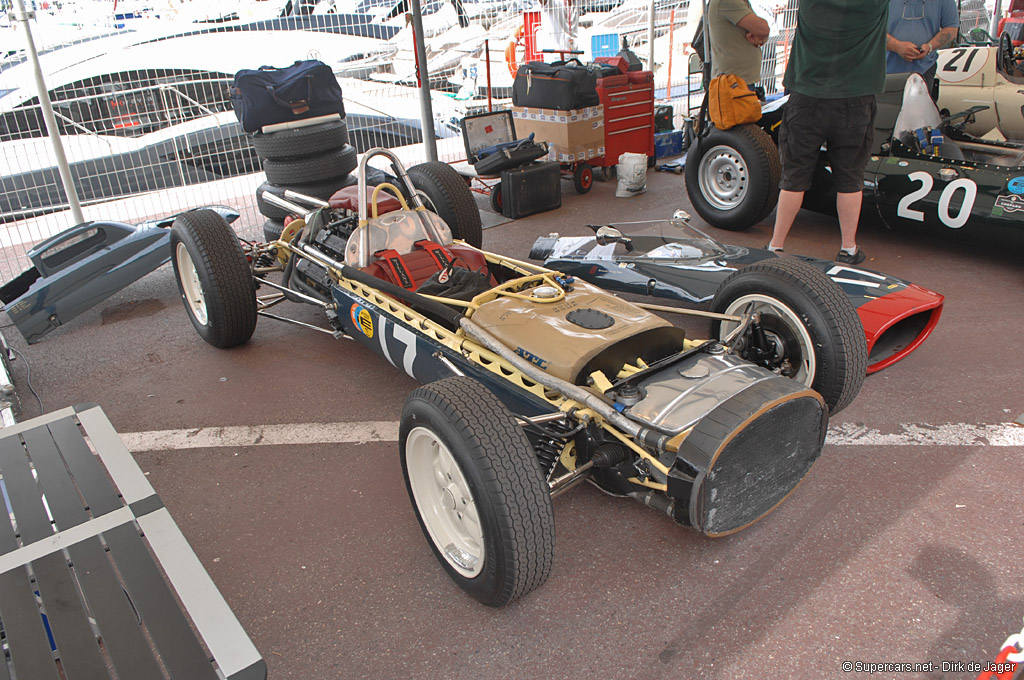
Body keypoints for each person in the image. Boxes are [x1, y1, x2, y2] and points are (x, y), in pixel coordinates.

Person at [766, 0, 888, 265]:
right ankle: (848, 248)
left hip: (807, 96)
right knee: (850, 177)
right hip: (856, 98)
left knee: (794, 176)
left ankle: (776, 245)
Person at [885, 0, 959, 83]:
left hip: (925, 69)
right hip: (884, 71)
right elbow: (871, 29)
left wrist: (930, 46)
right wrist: (897, 46)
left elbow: (951, 29)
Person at [707, 0, 771, 90]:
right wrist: (759, 34)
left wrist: (759, 37)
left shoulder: (741, 2)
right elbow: (763, 30)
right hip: (734, 82)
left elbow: (761, 32)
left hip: (740, 80)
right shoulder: (728, 2)